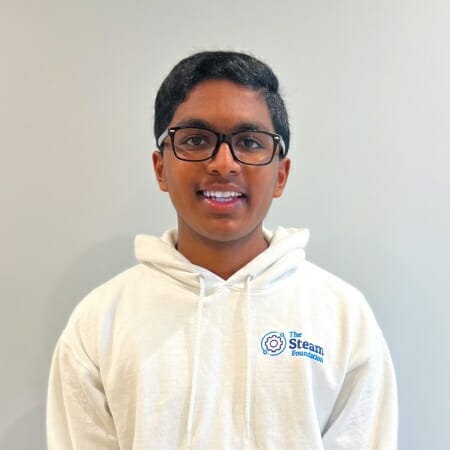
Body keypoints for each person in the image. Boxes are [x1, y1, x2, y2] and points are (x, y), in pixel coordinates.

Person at [47, 51, 398, 450]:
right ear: (161, 168)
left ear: (280, 175)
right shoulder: (100, 322)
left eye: (249, 142)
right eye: (196, 140)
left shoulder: (342, 317)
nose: (223, 163)